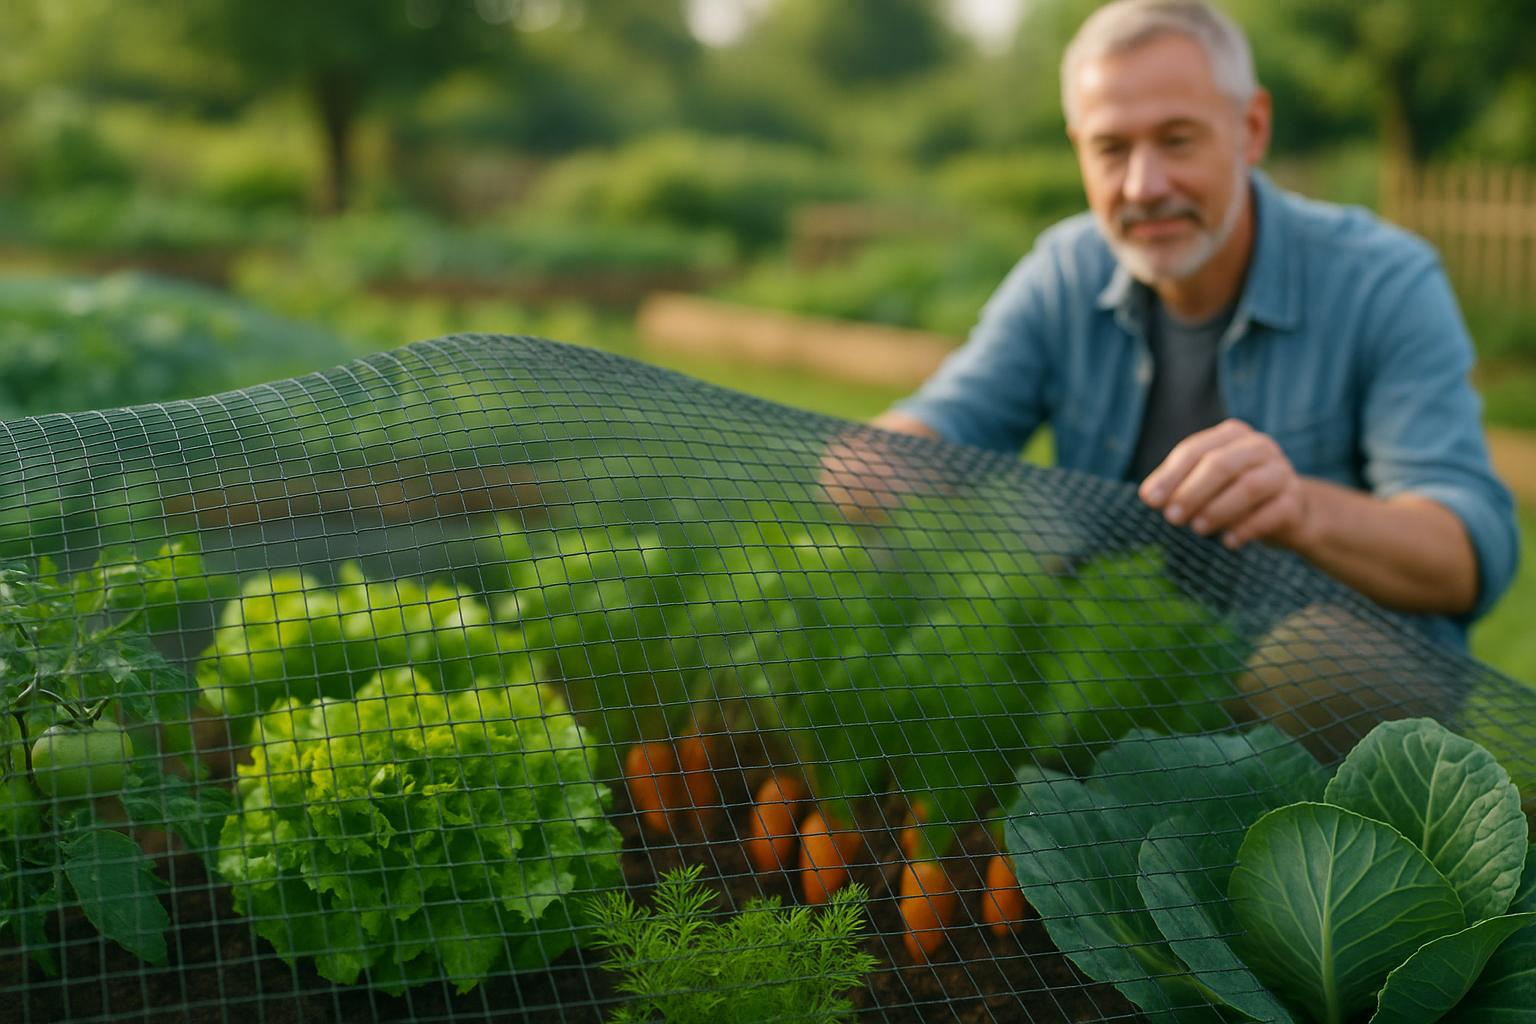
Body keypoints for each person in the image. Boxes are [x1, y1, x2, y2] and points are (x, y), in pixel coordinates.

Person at [821, 0, 1519, 652]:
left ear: (1251, 130)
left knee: (1313, 661)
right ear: (1078, 150)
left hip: (1331, 693)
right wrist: (876, 465)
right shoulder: (1066, 271)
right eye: (1111, 149)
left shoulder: (1383, 280)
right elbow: (947, 424)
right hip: (1127, 670)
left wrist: (1300, 510)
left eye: (1177, 141)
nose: (1143, 186)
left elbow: (1467, 553)